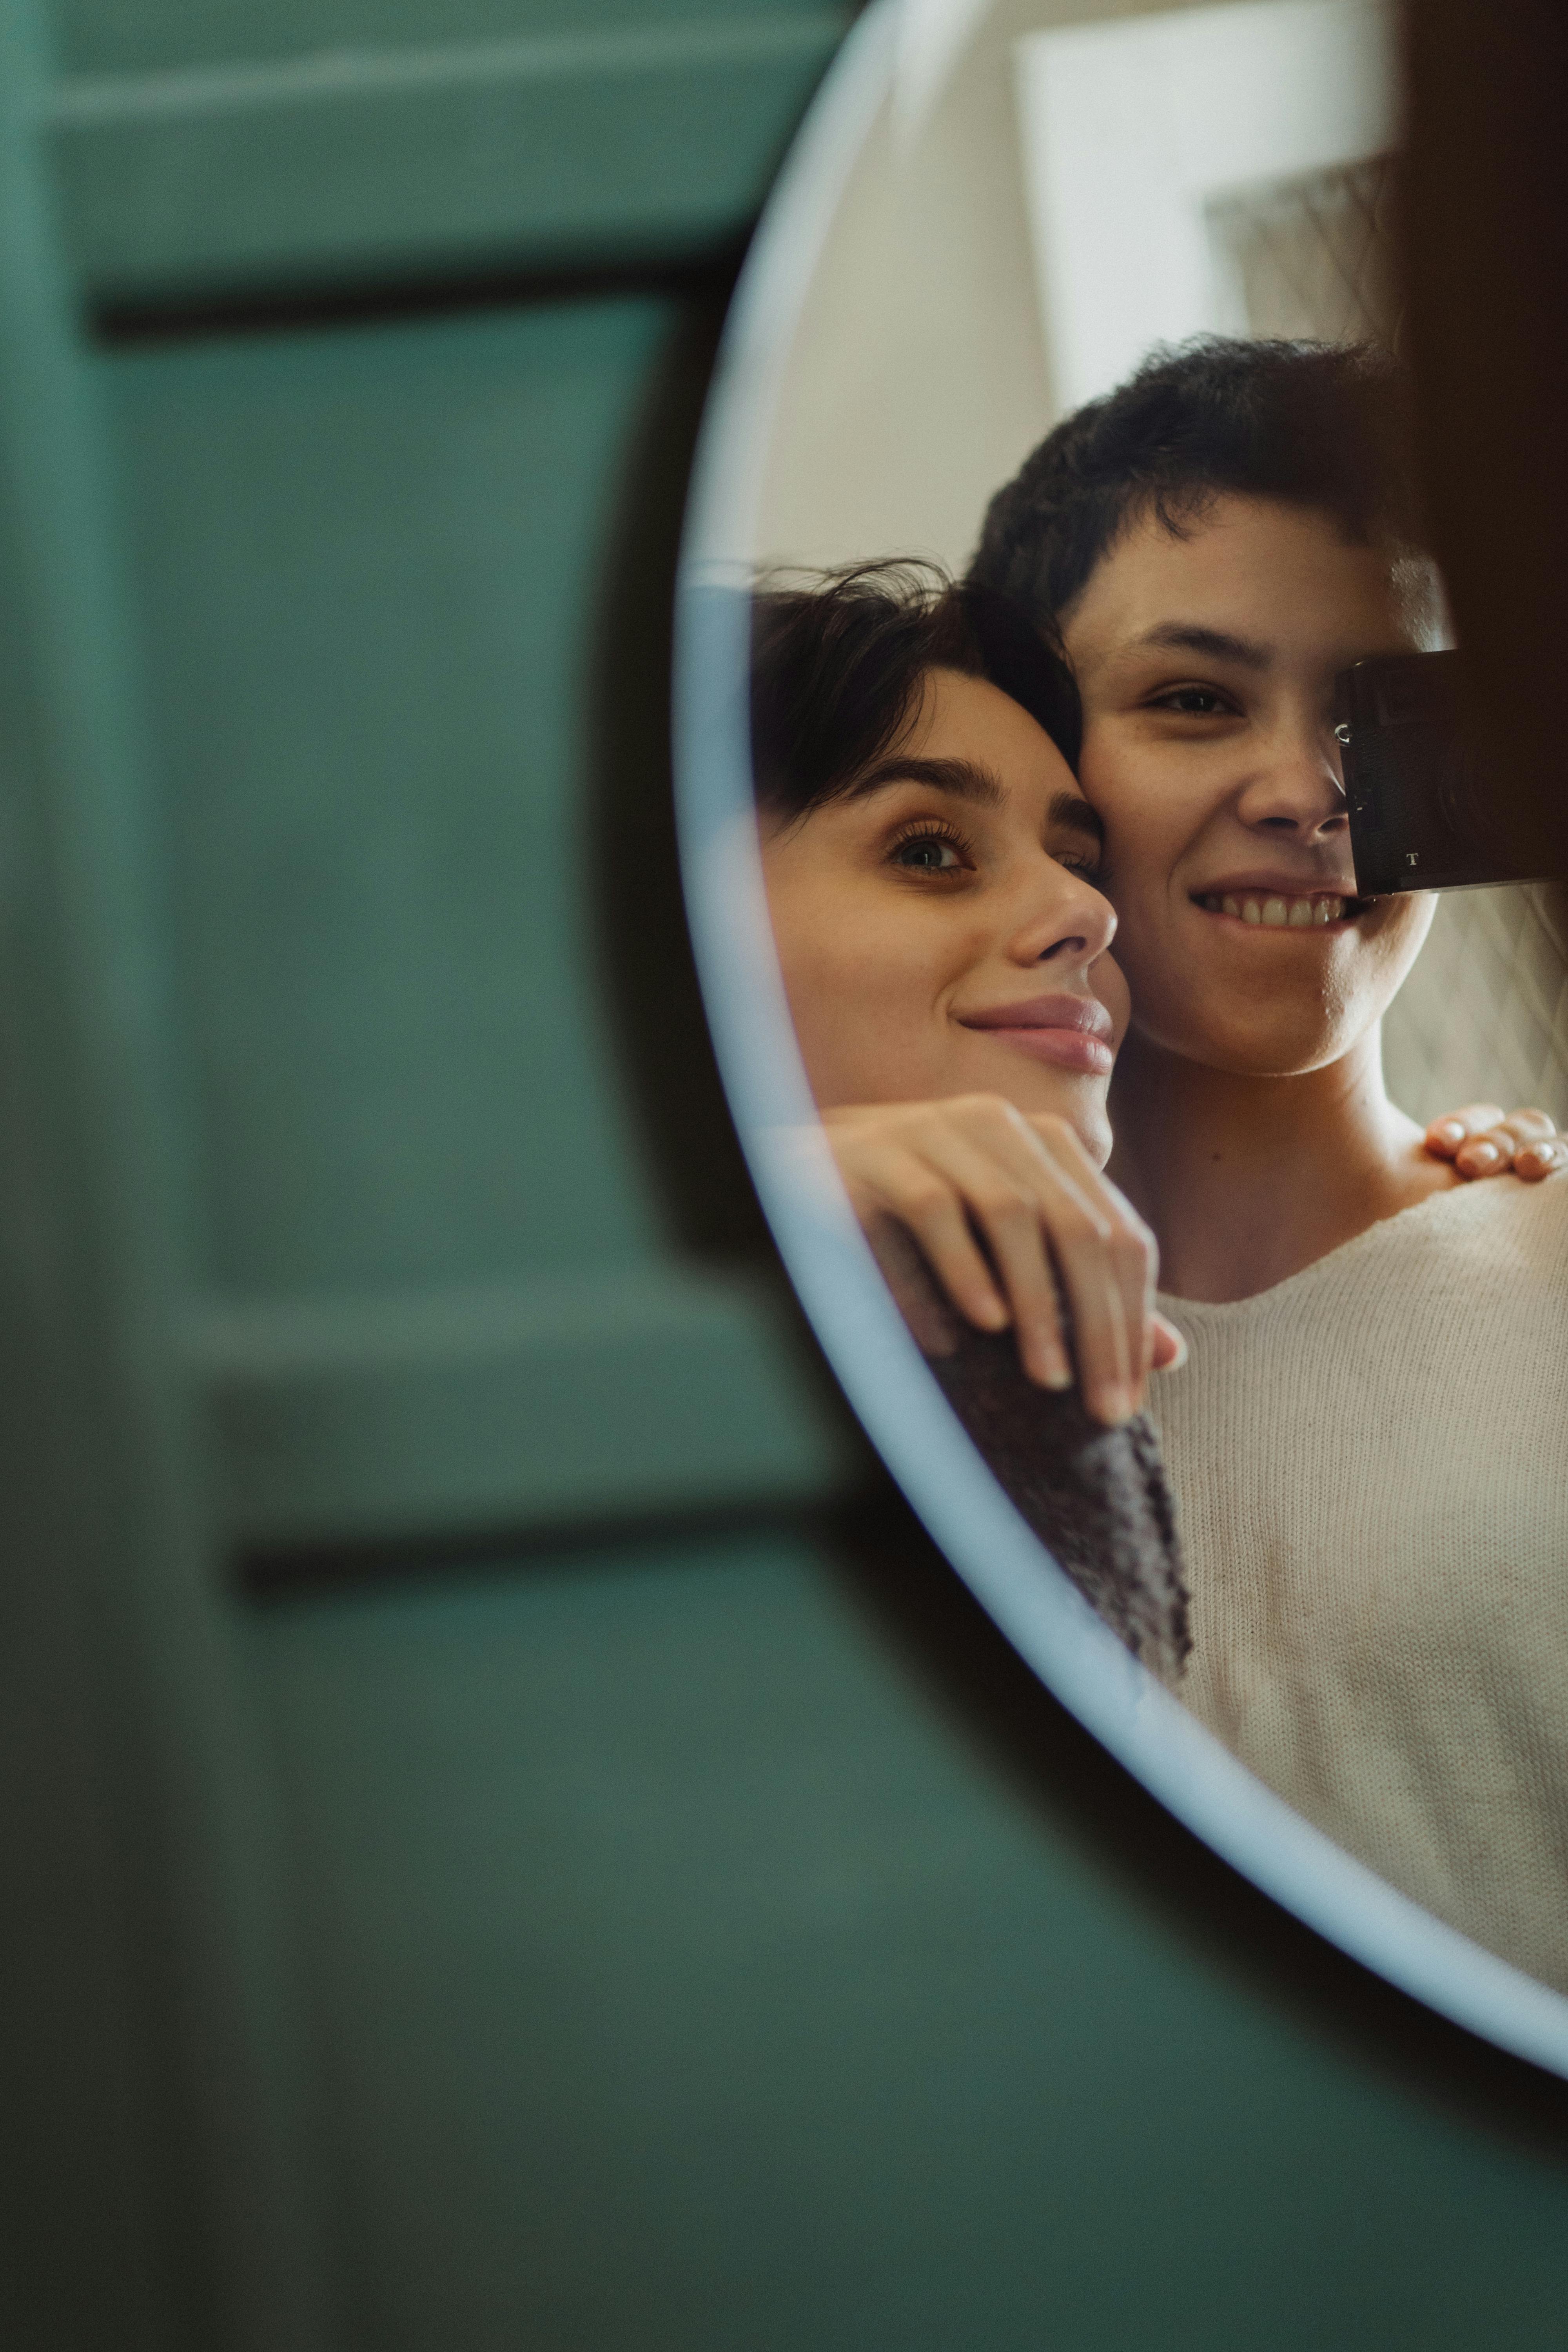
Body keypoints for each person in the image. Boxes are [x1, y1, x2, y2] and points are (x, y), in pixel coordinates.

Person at [955, 336, 1568, 1988]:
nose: (1305, 794)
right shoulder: (906, 1330)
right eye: (1191, 699)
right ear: (1035, 755)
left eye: (1375, 716)